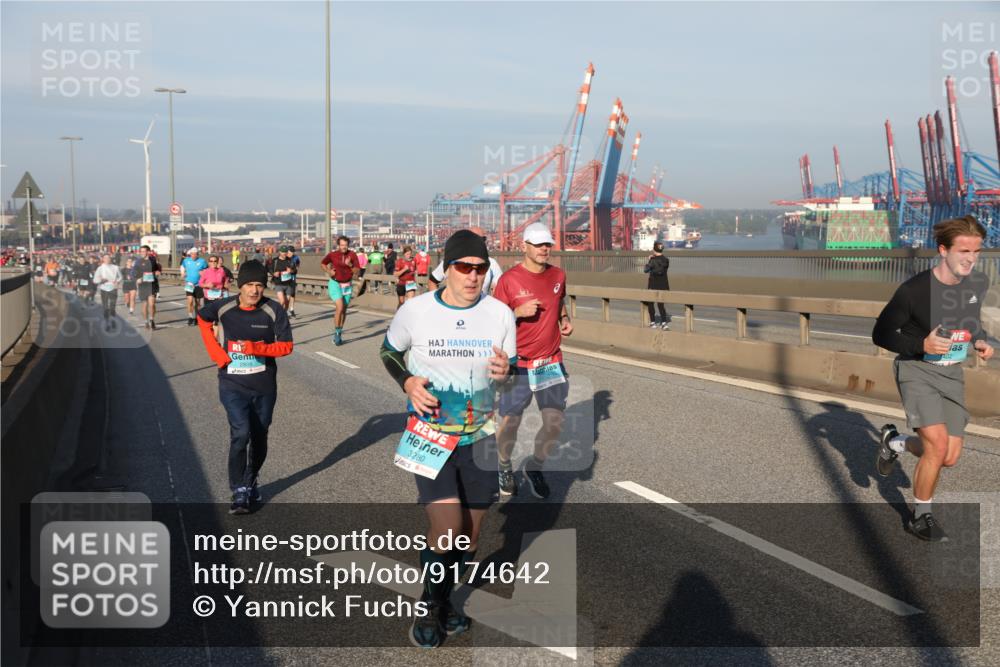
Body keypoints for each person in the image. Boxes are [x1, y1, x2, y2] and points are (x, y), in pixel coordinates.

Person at [380, 229, 516, 648]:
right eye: (464, 267)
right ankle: (430, 608)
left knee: (470, 538)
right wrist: (407, 382)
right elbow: (388, 352)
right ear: (447, 269)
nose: (473, 276)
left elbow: (506, 366)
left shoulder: (499, 314)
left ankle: (438, 597)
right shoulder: (416, 311)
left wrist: (505, 373)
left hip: (481, 436)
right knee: (447, 529)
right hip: (430, 435)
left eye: (480, 268)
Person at [872, 215, 994, 542]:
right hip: (916, 369)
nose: (971, 258)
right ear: (943, 250)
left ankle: (893, 442)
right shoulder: (914, 290)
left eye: (977, 251)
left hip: (951, 372)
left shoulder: (977, 283)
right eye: (963, 251)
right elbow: (881, 333)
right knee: (937, 447)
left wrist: (979, 340)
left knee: (948, 456)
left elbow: (970, 321)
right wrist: (920, 345)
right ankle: (920, 518)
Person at [196, 260, 293, 514]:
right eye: (249, 284)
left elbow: (286, 346)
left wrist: (257, 348)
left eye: (260, 285)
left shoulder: (274, 310)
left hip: (263, 385)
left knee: (260, 436)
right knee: (241, 433)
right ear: (240, 286)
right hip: (232, 382)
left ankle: (250, 481)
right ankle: (238, 488)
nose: (254, 290)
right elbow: (202, 319)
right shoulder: (223, 307)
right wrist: (217, 354)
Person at [492, 222, 573, 499]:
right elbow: (493, 323)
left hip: (550, 361)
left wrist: (563, 319)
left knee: (554, 423)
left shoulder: (558, 275)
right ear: (524, 246)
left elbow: (559, 300)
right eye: (538, 244)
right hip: (520, 364)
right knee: (510, 423)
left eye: (547, 244)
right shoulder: (509, 280)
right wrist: (517, 312)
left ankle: (535, 466)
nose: (544, 249)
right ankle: (504, 464)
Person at [429, 227, 502, 295]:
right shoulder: (453, 260)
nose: (473, 277)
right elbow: (432, 281)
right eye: (463, 268)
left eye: (482, 239)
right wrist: (438, 304)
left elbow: (498, 288)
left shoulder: (492, 263)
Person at [320, 236, 360, 346]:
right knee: (340, 306)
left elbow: (357, 271)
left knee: (344, 310)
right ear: (338, 245)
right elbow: (323, 263)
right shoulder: (333, 255)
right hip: (335, 283)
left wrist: (350, 265)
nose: (344, 247)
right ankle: (337, 333)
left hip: (347, 284)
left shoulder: (352, 255)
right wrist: (328, 271)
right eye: (342, 245)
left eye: (345, 245)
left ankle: (339, 331)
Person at [643, 241, 671, 329]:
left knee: (651, 303)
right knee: (661, 304)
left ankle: (653, 322)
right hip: (663, 285)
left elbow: (645, 270)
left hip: (653, 284)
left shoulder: (652, 260)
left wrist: (649, 260)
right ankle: (663, 323)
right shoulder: (666, 260)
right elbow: (661, 268)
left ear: (654, 250)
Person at [92, 254, 123, 329]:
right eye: (105, 258)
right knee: (105, 307)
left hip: (113, 288)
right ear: (103, 259)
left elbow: (121, 277)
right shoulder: (100, 268)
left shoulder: (116, 268)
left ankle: (113, 321)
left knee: (112, 307)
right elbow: (95, 280)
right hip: (104, 289)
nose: (107, 259)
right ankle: (107, 323)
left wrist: (117, 281)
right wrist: (101, 280)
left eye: (108, 258)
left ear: (110, 259)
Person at [134, 245, 161, 330]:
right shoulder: (138, 262)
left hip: (152, 284)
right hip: (143, 285)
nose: (142, 253)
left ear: (148, 252)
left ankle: (152, 320)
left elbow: (158, 268)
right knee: (144, 305)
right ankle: (146, 321)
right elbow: (133, 272)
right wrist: (137, 278)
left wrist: (158, 271)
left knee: (152, 304)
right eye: (141, 251)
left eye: (143, 251)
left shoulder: (153, 260)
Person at [181, 247, 209, 326]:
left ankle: (197, 318)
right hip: (189, 283)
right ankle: (190, 317)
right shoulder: (186, 260)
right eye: (192, 254)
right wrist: (182, 273)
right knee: (190, 301)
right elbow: (182, 266)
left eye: (195, 254)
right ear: (190, 254)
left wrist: (203, 274)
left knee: (198, 303)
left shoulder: (202, 261)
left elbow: (206, 270)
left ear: (198, 254)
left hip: (199, 284)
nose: (193, 255)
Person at [270, 246, 297, 312]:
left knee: (287, 302)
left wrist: (291, 271)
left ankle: (283, 315)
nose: (284, 253)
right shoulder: (275, 260)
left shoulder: (290, 260)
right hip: (279, 283)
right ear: (280, 252)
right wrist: (273, 273)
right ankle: (277, 314)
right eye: (283, 252)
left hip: (288, 284)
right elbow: (269, 269)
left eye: (285, 252)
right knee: (282, 301)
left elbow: (295, 270)